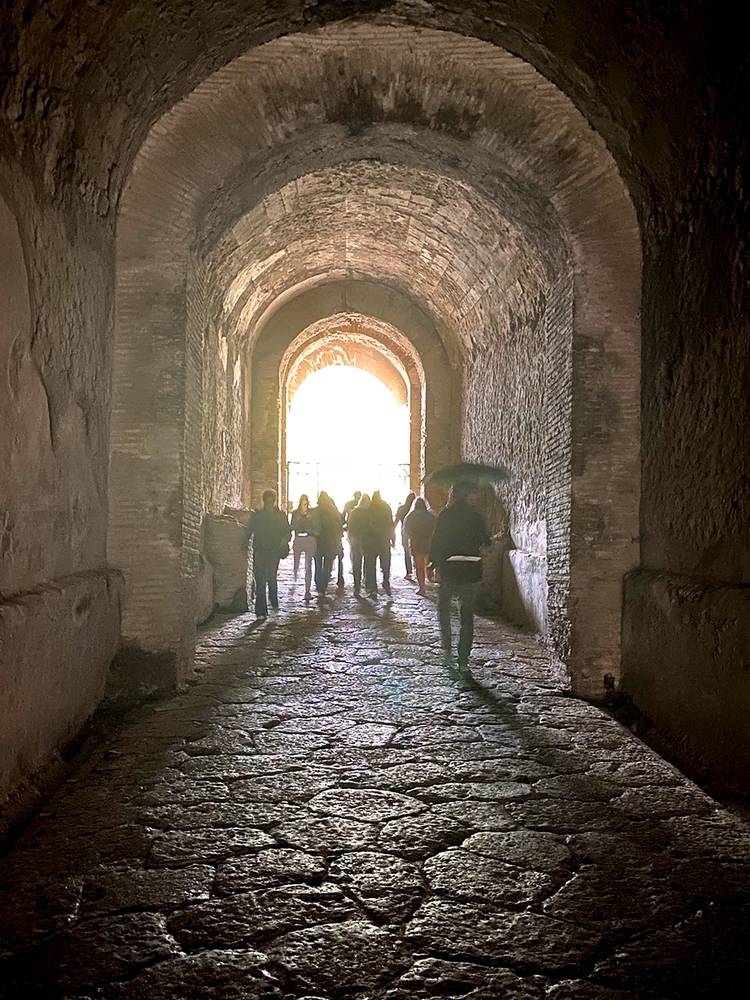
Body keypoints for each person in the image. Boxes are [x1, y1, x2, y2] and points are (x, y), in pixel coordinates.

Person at [429, 481, 490, 671]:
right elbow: (486, 541)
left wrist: (432, 563)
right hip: (472, 569)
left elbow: (438, 541)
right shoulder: (476, 516)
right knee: (466, 614)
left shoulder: (446, 515)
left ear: (453, 495)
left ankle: (447, 648)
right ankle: (463, 659)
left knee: (443, 609)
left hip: (450, 568)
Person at [243, 489, 291, 618]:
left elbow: (287, 531)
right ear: (264, 501)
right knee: (261, 580)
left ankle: (273, 600)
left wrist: (284, 541)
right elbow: (249, 530)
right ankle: (261, 610)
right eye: (268, 500)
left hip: (274, 550)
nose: (269, 502)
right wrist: (245, 542)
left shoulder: (280, 516)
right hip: (260, 550)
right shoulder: (258, 516)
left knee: (271, 577)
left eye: (271, 500)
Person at [404, 496, 437, 595]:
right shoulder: (430, 516)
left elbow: (407, 530)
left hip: (416, 543)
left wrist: (413, 536)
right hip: (428, 542)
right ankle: (430, 577)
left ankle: (422, 588)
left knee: (419, 566)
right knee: (428, 562)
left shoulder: (411, 516)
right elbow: (435, 528)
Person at [314, 491, 344, 596]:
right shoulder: (332, 510)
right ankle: (323, 585)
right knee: (327, 564)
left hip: (318, 540)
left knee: (318, 564)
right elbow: (338, 525)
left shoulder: (316, 510)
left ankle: (319, 585)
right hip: (329, 540)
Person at [366, 490, 395, 598]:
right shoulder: (386, 507)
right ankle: (386, 580)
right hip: (384, 539)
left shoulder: (369, 508)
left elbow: (366, 525)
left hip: (371, 540)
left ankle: (373, 587)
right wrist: (392, 537)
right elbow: (390, 523)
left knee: (371, 565)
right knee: (386, 563)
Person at [291, 494, 318, 600]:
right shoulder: (295, 513)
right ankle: (295, 580)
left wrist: (309, 524)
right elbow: (292, 526)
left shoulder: (313, 513)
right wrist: (299, 522)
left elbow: (316, 527)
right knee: (296, 562)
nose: (304, 506)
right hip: (299, 538)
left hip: (309, 538)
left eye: (305, 504)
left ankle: (307, 589)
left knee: (308, 564)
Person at [346, 493, 371, 596]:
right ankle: (367, 582)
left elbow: (350, 526)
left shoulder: (355, 512)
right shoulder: (369, 512)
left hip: (356, 539)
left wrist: (350, 537)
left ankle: (357, 585)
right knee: (367, 562)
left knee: (357, 563)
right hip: (367, 539)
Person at [394, 491, 417, 580]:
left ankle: (409, 572)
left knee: (407, 553)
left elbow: (396, 522)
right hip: (416, 533)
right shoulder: (416, 510)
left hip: (405, 532)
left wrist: (391, 532)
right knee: (416, 552)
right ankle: (416, 570)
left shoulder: (402, 509)